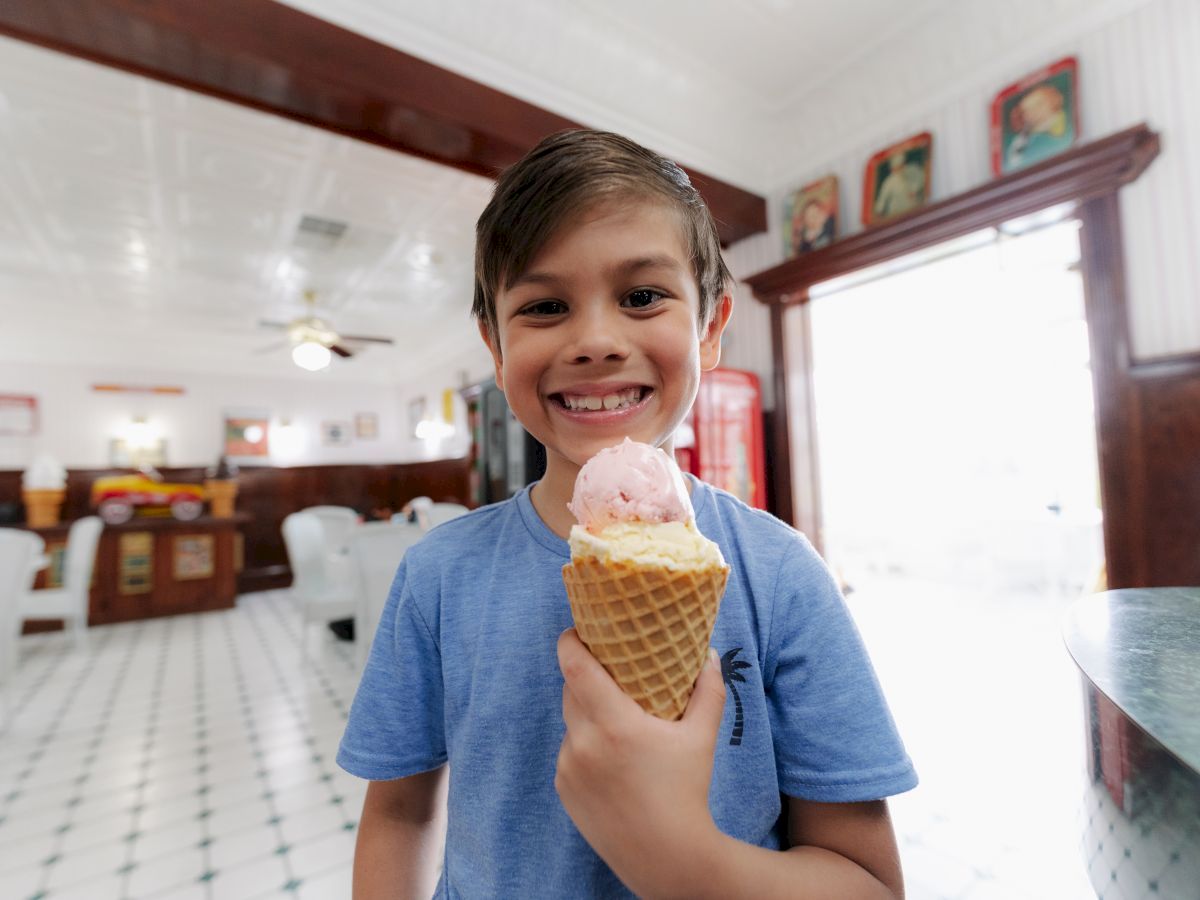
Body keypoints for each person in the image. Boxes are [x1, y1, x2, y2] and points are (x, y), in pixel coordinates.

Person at [337, 129, 917, 898]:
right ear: (496, 345)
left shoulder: (778, 574)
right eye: (545, 306)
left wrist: (684, 863)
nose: (597, 341)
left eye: (642, 296)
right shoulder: (439, 573)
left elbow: (868, 882)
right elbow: (401, 814)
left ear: (710, 329)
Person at [873, 148, 926, 220]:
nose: (899, 170)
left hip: (914, 208)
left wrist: (914, 190)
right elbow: (882, 198)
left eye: (901, 166)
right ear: (893, 169)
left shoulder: (912, 169)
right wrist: (878, 212)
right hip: (896, 212)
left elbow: (922, 177)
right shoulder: (889, 181)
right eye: (896, 168)